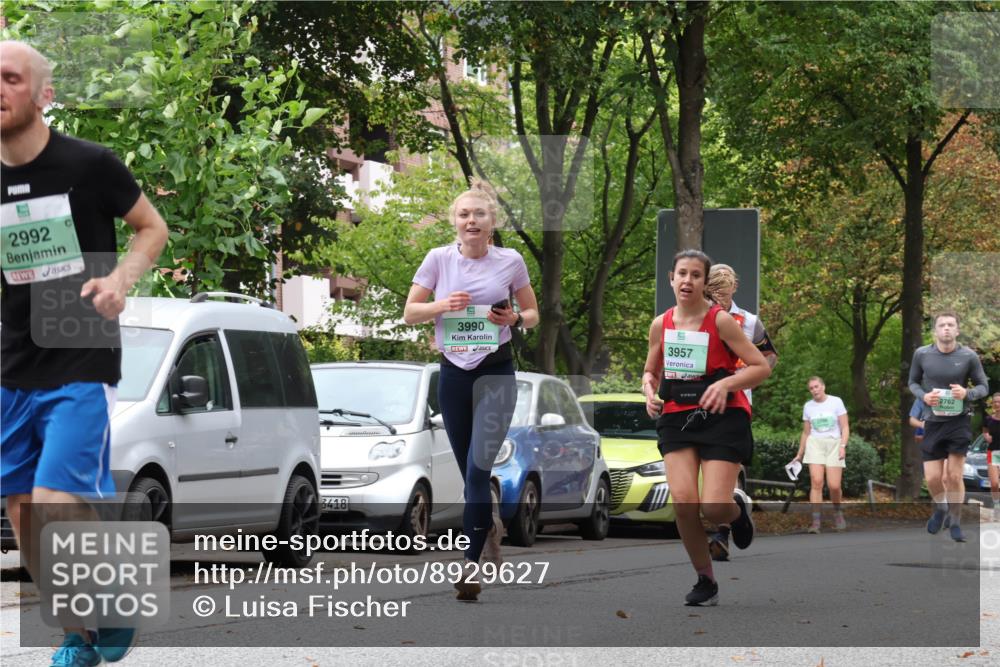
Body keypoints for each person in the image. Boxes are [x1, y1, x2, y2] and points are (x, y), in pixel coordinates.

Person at [1, 41, 168, 666]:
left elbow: (151, 228)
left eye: (11, 78)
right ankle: (81, 631)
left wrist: (120, 280)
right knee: (20, 510)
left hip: (79, 342)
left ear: (42, 95)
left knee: (53, 501)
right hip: (12, 355)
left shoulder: (90, 163)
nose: (0, 88)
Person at [403, 180, 539, 601]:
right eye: (464, 215)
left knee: (479, 470)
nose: (471, 221)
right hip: (454, 374)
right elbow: (410, 313)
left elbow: (533, 314)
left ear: (492, 222)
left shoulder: (511, 261)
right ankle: (488, 526)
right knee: (470, 478)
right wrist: (441, 306)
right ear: (454, 222)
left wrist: (512, 319)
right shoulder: (438, 260)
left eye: (479, 214)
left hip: (495, 374)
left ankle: (471, 563)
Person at [641, 249, 771, 606]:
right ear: (671, 278)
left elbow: (761, 366)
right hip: (677, 415)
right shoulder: (660, 324)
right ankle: (705, 580)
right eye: (681, 273)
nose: (687, 280)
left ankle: (736, 512)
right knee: (683, 502)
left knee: (714, 507)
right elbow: (650, 373)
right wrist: (650, 394)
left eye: (695, 275)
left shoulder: (720, 322)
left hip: (722, 415)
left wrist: (724, 384)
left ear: (703, 282)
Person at [704, 263, 778, 561]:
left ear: (735, 288)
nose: (720, 296)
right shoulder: (694, 317)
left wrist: (751, 378)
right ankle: (731, 513)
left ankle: (722, 532)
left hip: (735, 405)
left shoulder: (749, 321)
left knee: (726, 465)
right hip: (697, 403)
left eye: (725, 290)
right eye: (714, 290)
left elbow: (770, 355)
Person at [908, 311, 989, 542]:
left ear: (957, 330)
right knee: (933, 479)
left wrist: (967, 393)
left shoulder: (968, 356)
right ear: (935, 330)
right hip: (932, 422)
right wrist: (924, 397)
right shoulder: (921, 354)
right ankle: (942, 508)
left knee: (954, 476)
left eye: (950, 325)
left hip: (959, 421)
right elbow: (912, 382)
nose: (946, 328)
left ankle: (955, 521)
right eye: (941, 325)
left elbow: (984, 386)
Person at [790, 377, 850, 533]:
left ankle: (837, 513)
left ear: (823, 386)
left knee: (834, 485)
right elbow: (806, 432)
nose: (814, 390)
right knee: (816, 482)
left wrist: (843, 446)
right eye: (811, 388)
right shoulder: (808, 407)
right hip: (815, 444)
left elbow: (845, 426)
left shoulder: (836, 402)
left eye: (816, 386)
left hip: (834, 444)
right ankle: (816, 522)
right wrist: (799, 453)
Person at [983, 393, 1000, 521]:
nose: (997, 404)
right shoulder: (988, 419)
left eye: (999, 402)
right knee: (994, 483)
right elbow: (985, 431)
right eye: (995, 402)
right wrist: (986, 436)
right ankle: (997, 505)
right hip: (993, 453)